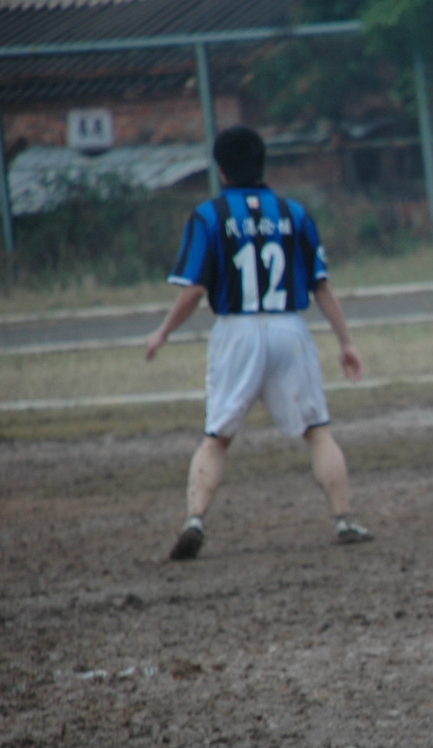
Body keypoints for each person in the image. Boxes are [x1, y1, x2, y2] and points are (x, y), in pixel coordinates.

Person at [145, 124, 373, 561]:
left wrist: (163, 332)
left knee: (216, 437)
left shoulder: (209, 216)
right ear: (263, 163)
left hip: (237, 332)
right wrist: (346, 341)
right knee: (317, 431)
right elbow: (322, 286)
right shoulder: (294, 213)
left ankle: (195, 520)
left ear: (221, 170)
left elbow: (193, 291)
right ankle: (344, 518)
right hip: (289, 328)